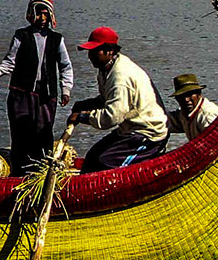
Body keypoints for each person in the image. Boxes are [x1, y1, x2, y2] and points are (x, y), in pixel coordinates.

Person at [0, 0, 74, 175]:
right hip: (21, 95)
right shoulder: (21, 36)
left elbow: (65, 66)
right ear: (31, 14)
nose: (42, 18)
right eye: (39, 13)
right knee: (21, 135)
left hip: (46, 96)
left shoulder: (56, 39)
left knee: (44, 135)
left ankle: (41, 174)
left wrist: (65, 90)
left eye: (46, 14)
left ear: (51, 15)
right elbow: (9, 63)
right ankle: (19, 173)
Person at [67, 27, 169, 172]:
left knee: (106, 164)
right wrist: (88, 104)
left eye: (95, 51)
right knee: (92, 158)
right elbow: (108, 99)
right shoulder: (106, 69)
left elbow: (112, 117)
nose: (90, 56)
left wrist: (83, 117)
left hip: (148, 133)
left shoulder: (120, 77)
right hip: (129, 129)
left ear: (110, 51)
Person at [166, 73, 218, 142]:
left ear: (199, 94)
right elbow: (165, 122)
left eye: (189, 95)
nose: (186, 99)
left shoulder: (208, 115)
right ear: (177, 99)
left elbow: (215, 143)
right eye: (181, 96)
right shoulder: (184, 114)